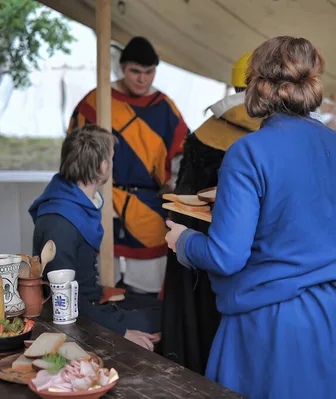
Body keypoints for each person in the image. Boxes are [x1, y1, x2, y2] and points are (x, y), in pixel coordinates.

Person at [165, 36, 336, 399]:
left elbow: (227, 256)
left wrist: (185, 242)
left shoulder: (247, 152)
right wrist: (313, 233)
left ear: (259, 86)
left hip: (271, 318)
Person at [160, 51, 260, 374]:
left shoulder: (205, 127)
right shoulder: (263, 138)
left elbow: (181, 188)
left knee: (192, 326)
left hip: (187, 239)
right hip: (234, 248)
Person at [68, 36, 189, 295]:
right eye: (136, 71)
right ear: (122, 67)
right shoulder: (96, 101)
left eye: (149, 72)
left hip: (150, 209)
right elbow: (74, 158)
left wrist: (178, 200)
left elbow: (184, 157)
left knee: (148, 292)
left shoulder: (165, 107)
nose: (143, 79)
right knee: (100, 288)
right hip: (102, 203)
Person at [30, 125, 161, 351]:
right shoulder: (60, 222)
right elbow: (64, 300)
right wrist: (121, 333)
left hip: (91, 301)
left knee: (163, 308)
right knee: (170, 319)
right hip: (82, 315)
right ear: (103, 167)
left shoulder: (73, 201)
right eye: (111, 157)